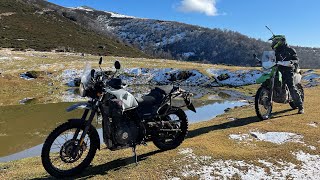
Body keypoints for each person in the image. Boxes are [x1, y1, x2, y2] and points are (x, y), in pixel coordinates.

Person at [269, 35, 304, 114]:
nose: (273, 43)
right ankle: (264, 99)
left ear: (280, 41)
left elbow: (296, 59)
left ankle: (300, 106)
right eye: (273, 41)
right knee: (269, 81)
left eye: (275, 41)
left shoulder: (290, 50)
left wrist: (292, 62)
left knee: (291, 87)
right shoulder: (275, 51)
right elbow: (271, 60)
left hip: (288, 70)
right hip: (278, 69)